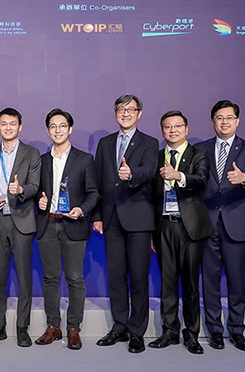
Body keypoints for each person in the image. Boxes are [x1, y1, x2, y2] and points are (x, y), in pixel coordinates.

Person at [197, 100, 245, 351]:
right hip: (207, 224)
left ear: (237, 121)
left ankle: (237, 331)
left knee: (237, 282)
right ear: (212, 121)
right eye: (219, 117)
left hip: (237, 224)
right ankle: (214, 330)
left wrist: (244, 177)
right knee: (210, 281)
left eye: (229, 117)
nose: (224, 121)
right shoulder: (200, 148)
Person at [92, 94, 159, 354]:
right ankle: (119, 326)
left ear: (139, 113)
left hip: (139, 219)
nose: (126, 113)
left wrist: (132, 174)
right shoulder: (105, 143)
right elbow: (98, 181)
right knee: (116, 276)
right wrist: (97, 215)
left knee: (139, 278)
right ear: (115, 112)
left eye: (131, 109)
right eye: (121, 109)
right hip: (110, 219)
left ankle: (136, 331)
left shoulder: (149, 142)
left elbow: (150, 170)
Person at [34, 108, 100, 350]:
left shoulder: (84, 159)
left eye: (62, 126)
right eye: (53, 126)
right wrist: (37, 202)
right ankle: (53, 326)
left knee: (75, 278)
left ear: (70, 129)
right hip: (47, 223)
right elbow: (34, 192)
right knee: (50, 278)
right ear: (48, 130)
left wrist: (82, 209)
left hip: (74, 224)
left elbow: (94, 193)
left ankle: (73, 328)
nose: (58, 130)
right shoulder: (41, 161)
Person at [148, 110, 212, 355]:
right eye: (167, 126)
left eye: (177, 126)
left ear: (186, 129)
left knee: (191, 284)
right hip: (164, 225)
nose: (172, 130)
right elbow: (152, 196)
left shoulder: (198, 154)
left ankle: (192, 334)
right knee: (167, 282)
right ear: (162, 130)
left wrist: (178, 176)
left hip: (190, 228)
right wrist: (154, 232)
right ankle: (169, 331)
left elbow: (202, 179)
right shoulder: (155, 157)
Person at [0, 108, 41, 347]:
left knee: (24, 278)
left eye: (12, 124)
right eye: (4, 124)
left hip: (22, 219)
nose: (8, 127)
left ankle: (22, 327)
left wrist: (21, 190)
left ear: (20, 127)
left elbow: (35, 185)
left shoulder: (32, 153)